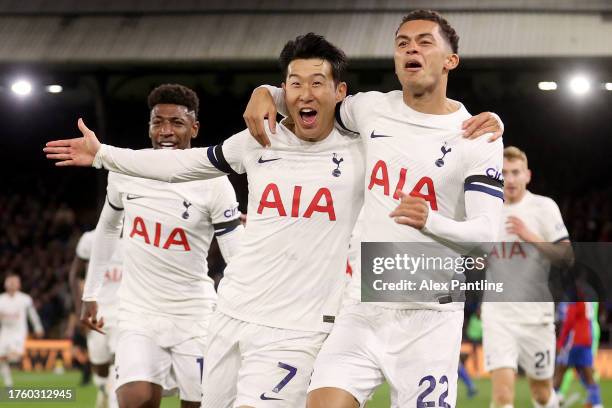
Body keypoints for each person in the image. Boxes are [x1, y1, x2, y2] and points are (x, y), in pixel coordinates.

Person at [44, 32, 501, 407]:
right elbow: (183, 165)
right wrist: (104, 155)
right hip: (231, 313)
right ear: (284, 90)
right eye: (294, 84)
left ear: (341, 94)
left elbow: (424, 131)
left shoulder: (366, 145)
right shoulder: (259, 139)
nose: (306, 93)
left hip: (301, 330)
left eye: (318, 83)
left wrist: (481, 123)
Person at [242, 9, 505, 408]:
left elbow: (487, 235)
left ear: (450, 60)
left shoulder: (477, 136)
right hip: (362, 304)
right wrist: (265, 90)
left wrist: (431, 220)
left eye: (424, 42)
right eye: (402, 44)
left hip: (429, 314)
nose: (410, 49)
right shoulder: (369, 108)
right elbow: (312, 99)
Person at [79, 84, 244, 408]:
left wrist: (244, 307)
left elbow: (234, 256)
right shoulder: (126, 170)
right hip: (138, 312)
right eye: (158, 122)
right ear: (149, 126)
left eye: (176, 123)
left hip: (194, 314)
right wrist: (90, 293)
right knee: (135, 399)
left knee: (201, 403)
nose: (166, 131)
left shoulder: (213, 182)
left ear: (194, 128)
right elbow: (108, 231)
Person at [481, 146, 573, 408]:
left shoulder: (543, 207)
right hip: (498, 316)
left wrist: (529, 235)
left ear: (527, 175)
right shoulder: (488, 208)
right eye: (504, 173)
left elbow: (567, 257)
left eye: (516, 172)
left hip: (536, 316)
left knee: (542, 394)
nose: (510, 179)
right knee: (501, 397)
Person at [71, 230, 123, 408]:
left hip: (125, 314)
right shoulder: (89, 239)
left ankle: (114, 401)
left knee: (119, 364)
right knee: (100, 367)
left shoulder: (137, 239)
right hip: (97, 315)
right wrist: (81, 310)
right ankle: (103, 390)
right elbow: (74, 274)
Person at [554, 302, 603, 408]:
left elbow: (569, 321)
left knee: (560, 371)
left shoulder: (575, 297)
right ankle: (597, 404)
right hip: (586, 340)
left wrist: (561, 342)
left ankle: (553, 399)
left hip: (573, 341)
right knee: (588, 374)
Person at [0, 274, 44, 387]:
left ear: (19, 285)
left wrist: (38, 327)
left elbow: (32, 315)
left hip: (19, 332)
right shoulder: (1, 299)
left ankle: (10, 363)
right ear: (5, 284)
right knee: (1, 357)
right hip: (5, 332)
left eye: (14, 282)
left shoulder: (25, 299)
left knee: (14, 357)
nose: (11, 284)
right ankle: (8, 382)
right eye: (9, 282)